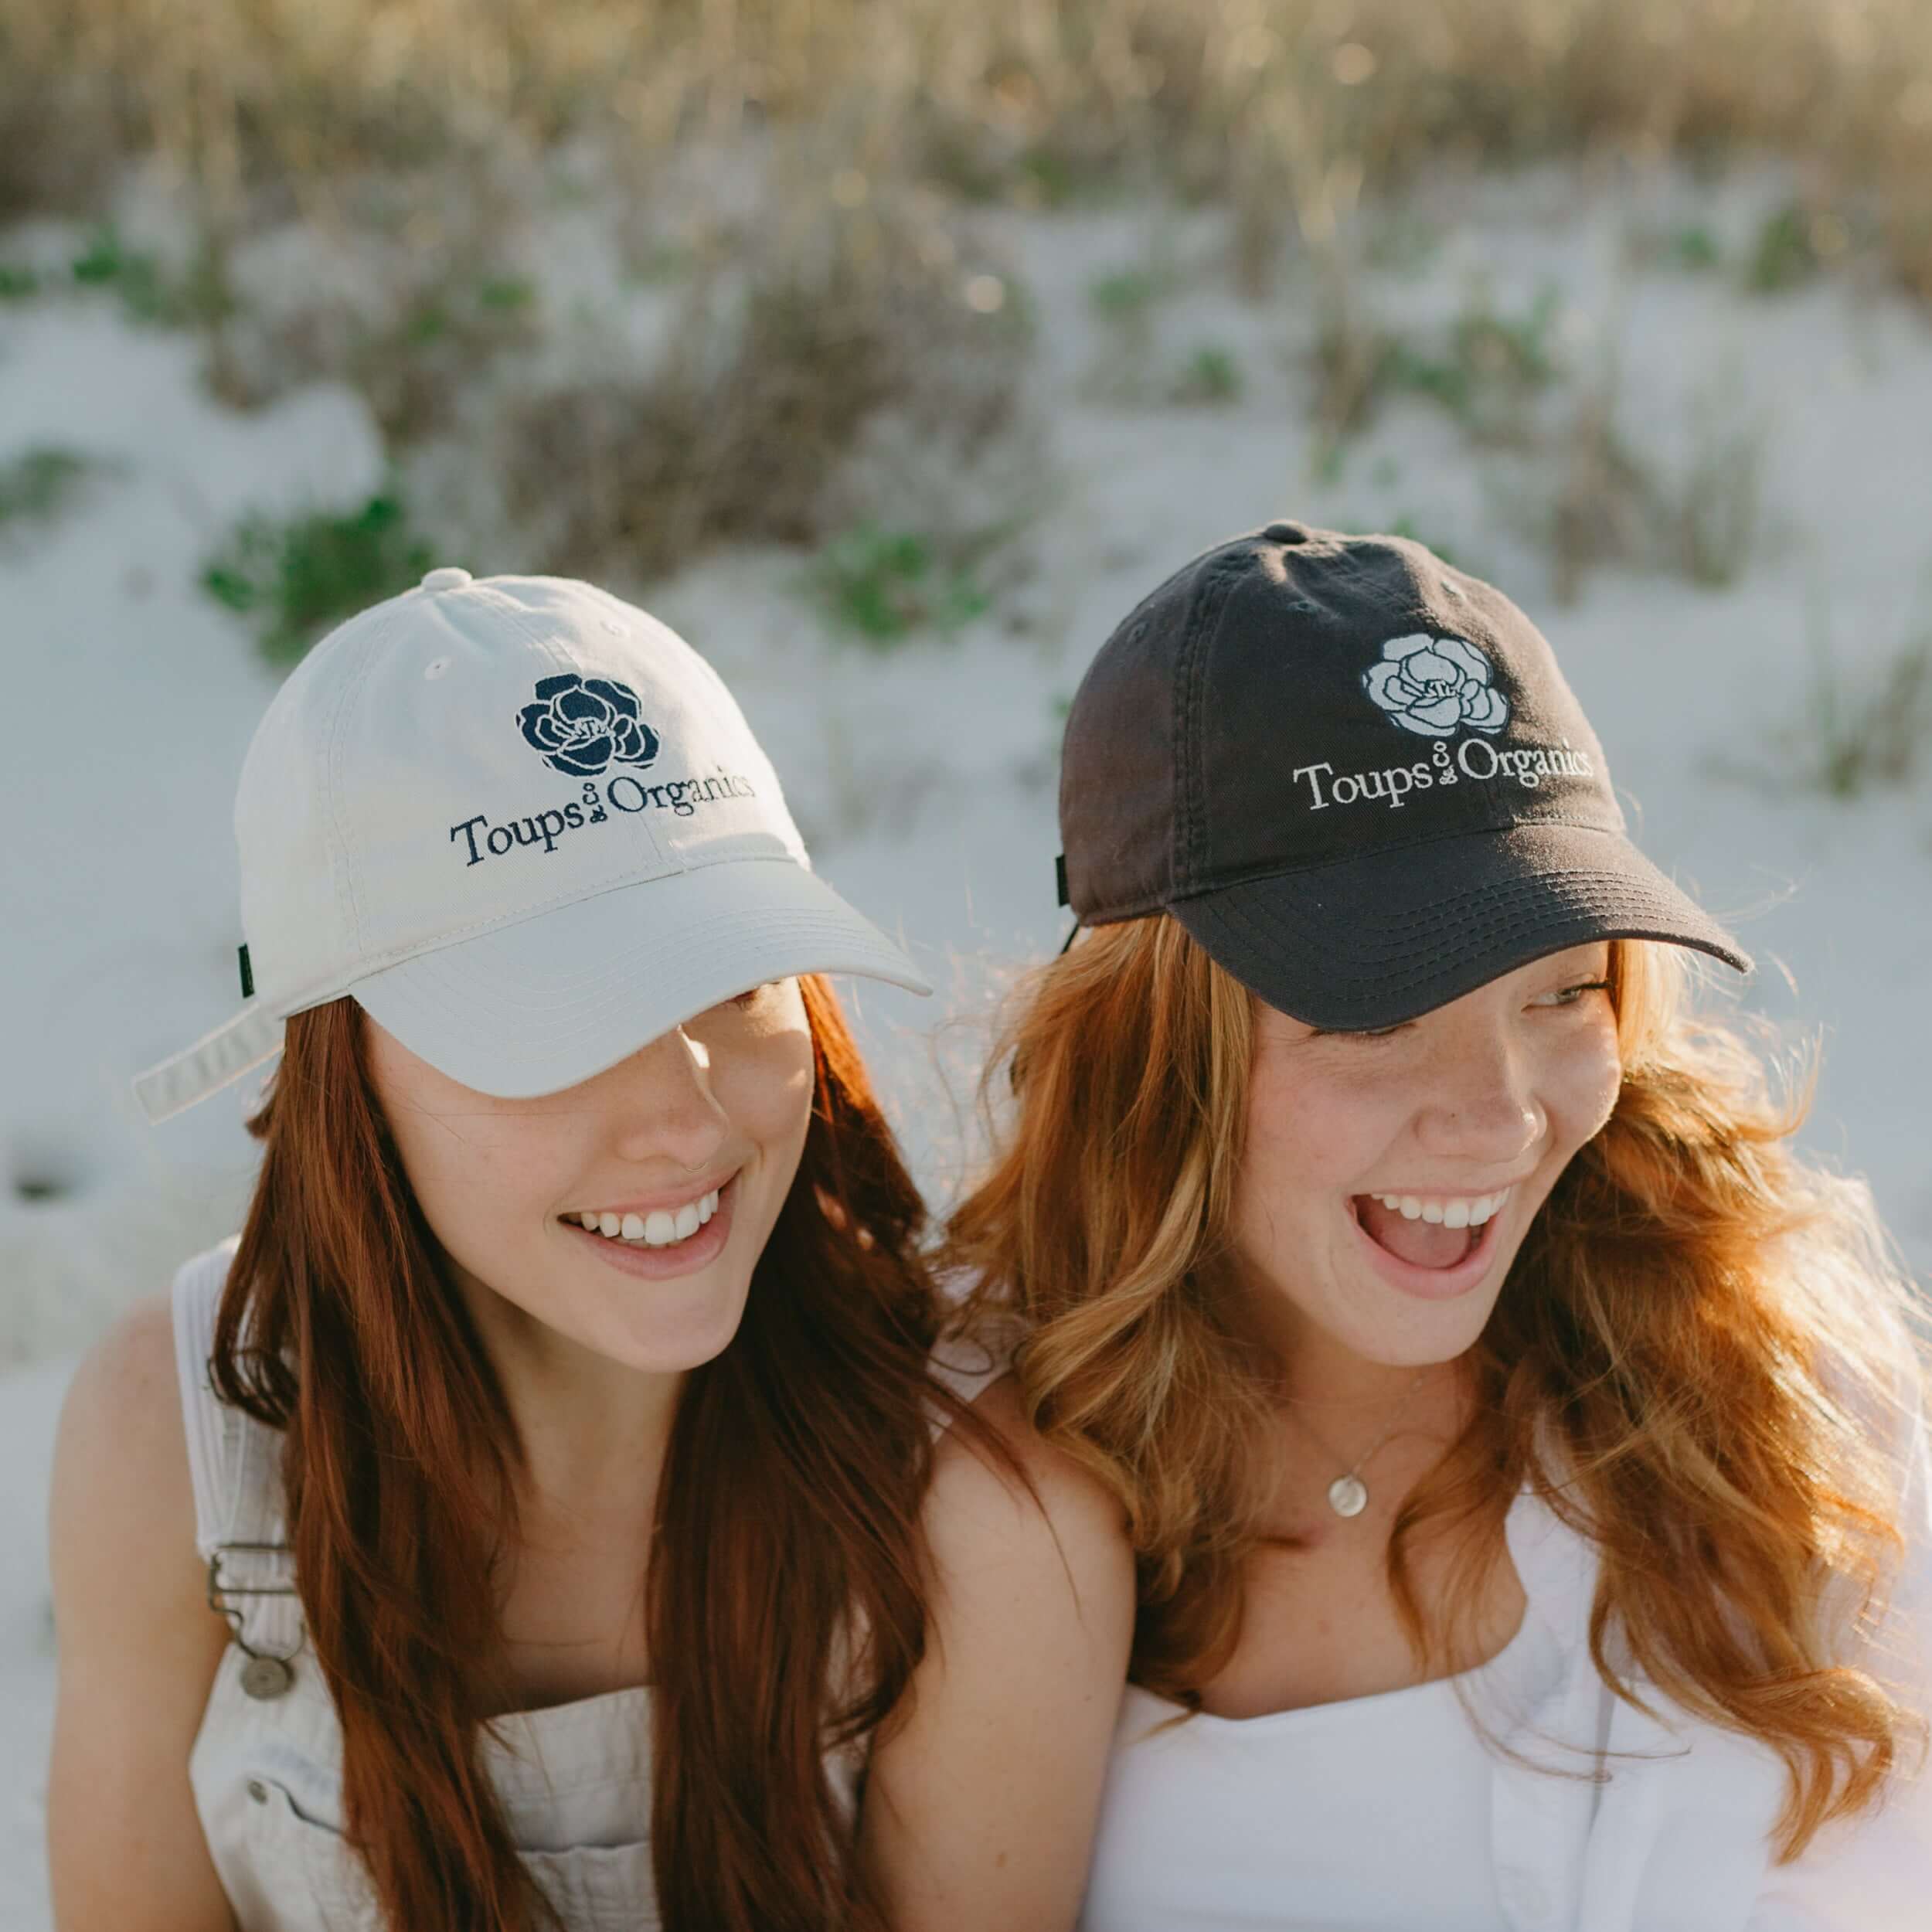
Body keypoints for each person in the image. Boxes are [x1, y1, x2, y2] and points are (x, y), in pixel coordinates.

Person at [879, 522, 1932, 1930]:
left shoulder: (1792, 1397)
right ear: (1152, 1045)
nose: (1499, 1121)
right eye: (1375, 1011)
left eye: (1559, 992)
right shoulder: (1002, 1502)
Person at [44, 568, 1071, 1932]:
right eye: (558, 1024)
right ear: (345, 1067)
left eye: (733, 974)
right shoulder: (180, 1440)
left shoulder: (982, 1493)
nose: (685, 1116)